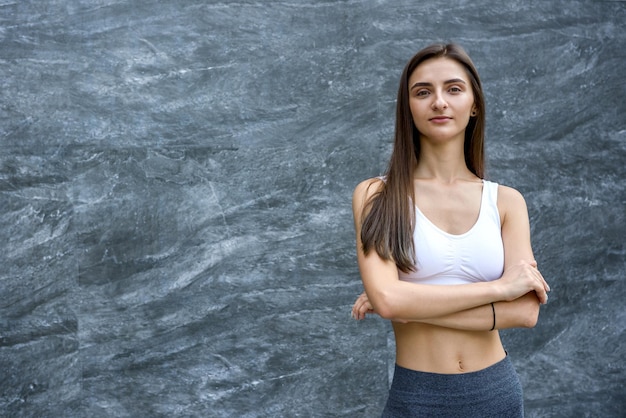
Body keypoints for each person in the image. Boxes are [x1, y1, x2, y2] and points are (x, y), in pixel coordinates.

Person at [350, 43, 550, 417]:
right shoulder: (377, 195)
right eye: (422, 92)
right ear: (408, 108)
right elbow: (391, 302)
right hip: (418, 397)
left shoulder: (507, 202)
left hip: (497, 394)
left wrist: (411, 304)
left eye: (454, 89)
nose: (439, 102)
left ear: (474, 104)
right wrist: (498, 289)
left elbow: (525, 312)